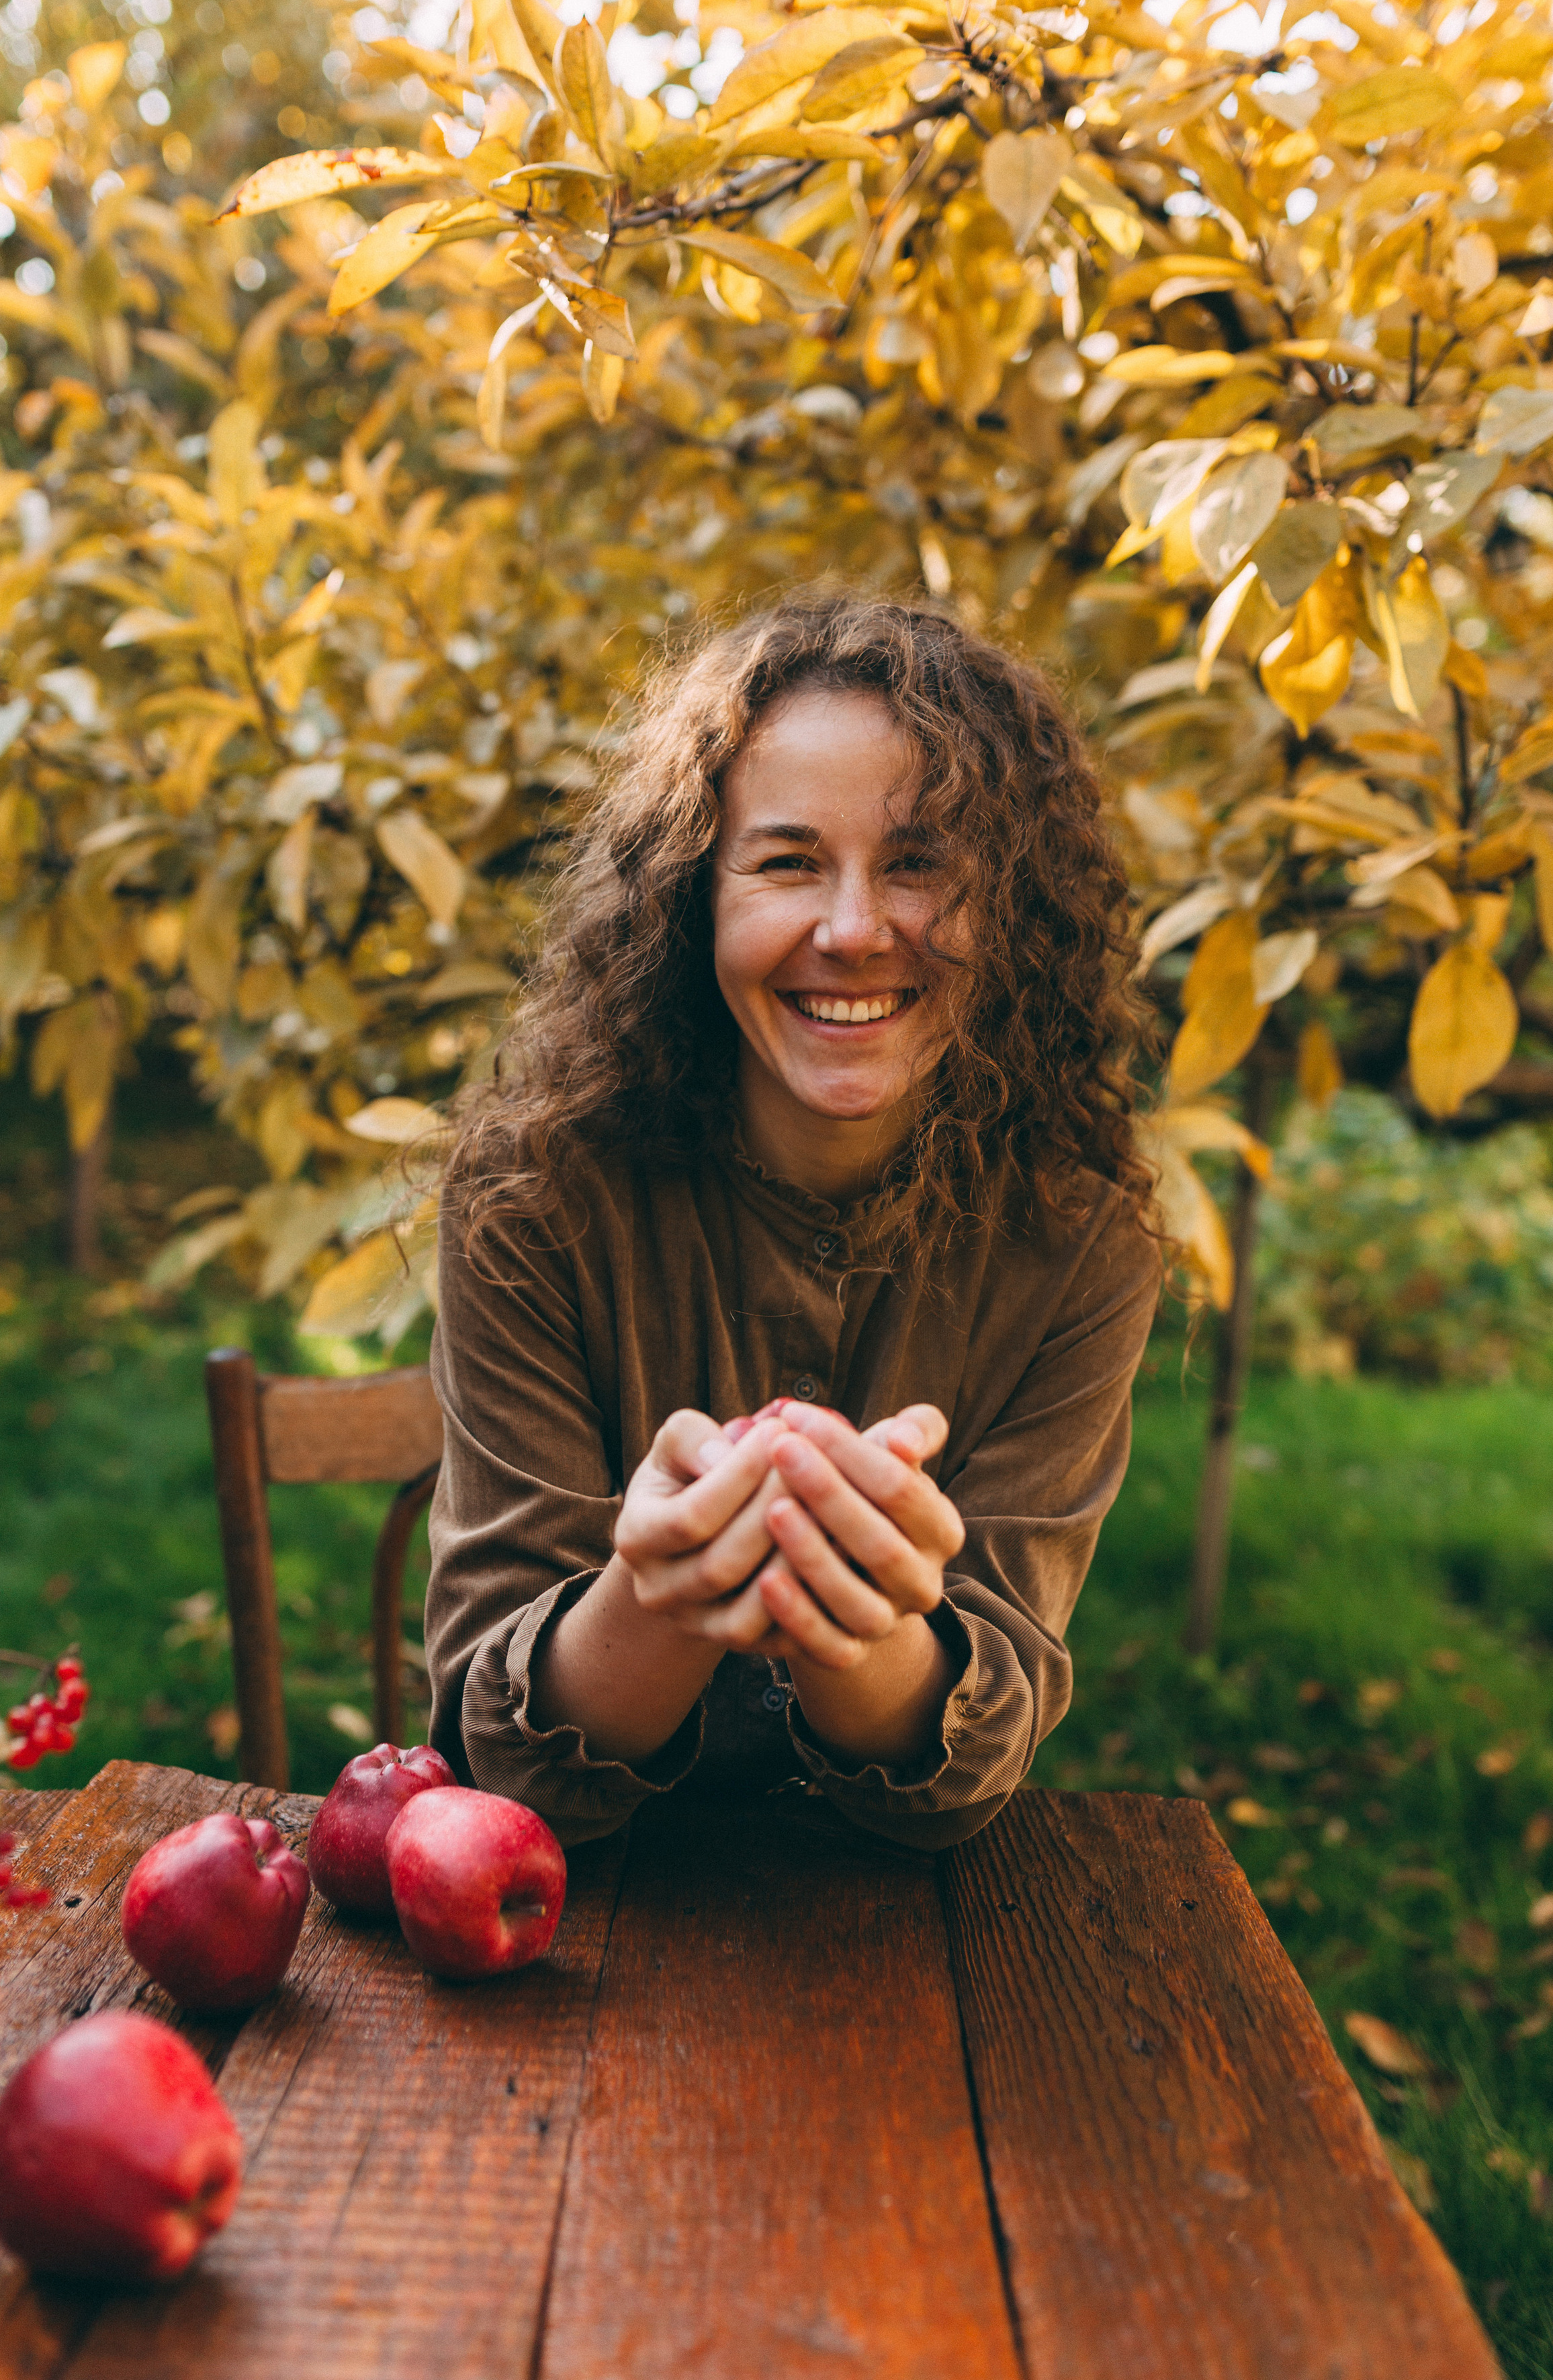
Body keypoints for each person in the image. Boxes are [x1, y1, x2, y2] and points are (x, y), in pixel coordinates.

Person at [423, 588, 1161, 1851]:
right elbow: (504, 1763)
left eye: (921, 863)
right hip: (581, 1936)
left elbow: (964, 1781)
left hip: (908, 1954)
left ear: (1011, 909)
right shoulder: (535, 1205)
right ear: (689, 897)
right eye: (786, 861)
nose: (854, 930)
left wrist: (857, 1621)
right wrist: (662, 1597)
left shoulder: (1080, 1244)